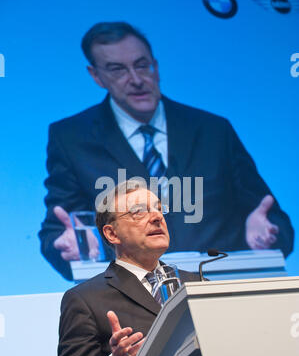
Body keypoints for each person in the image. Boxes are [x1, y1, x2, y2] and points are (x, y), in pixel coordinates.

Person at [39, 22, 294, 281]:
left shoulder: (213, 130)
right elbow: (55, 233)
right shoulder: (71, 138)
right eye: (117, 70)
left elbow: (272, 218)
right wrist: (70, 246)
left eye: (142, 65)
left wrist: (267, 233)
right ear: (96, 76)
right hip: (130, 300)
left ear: (156, 66)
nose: (136, 80)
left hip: (219, 291)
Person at [56, 182, 201, 356]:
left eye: (158, 209)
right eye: (139, 212)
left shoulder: (197, 282)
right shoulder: (85, 299)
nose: (156, 217)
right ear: (112, 234)